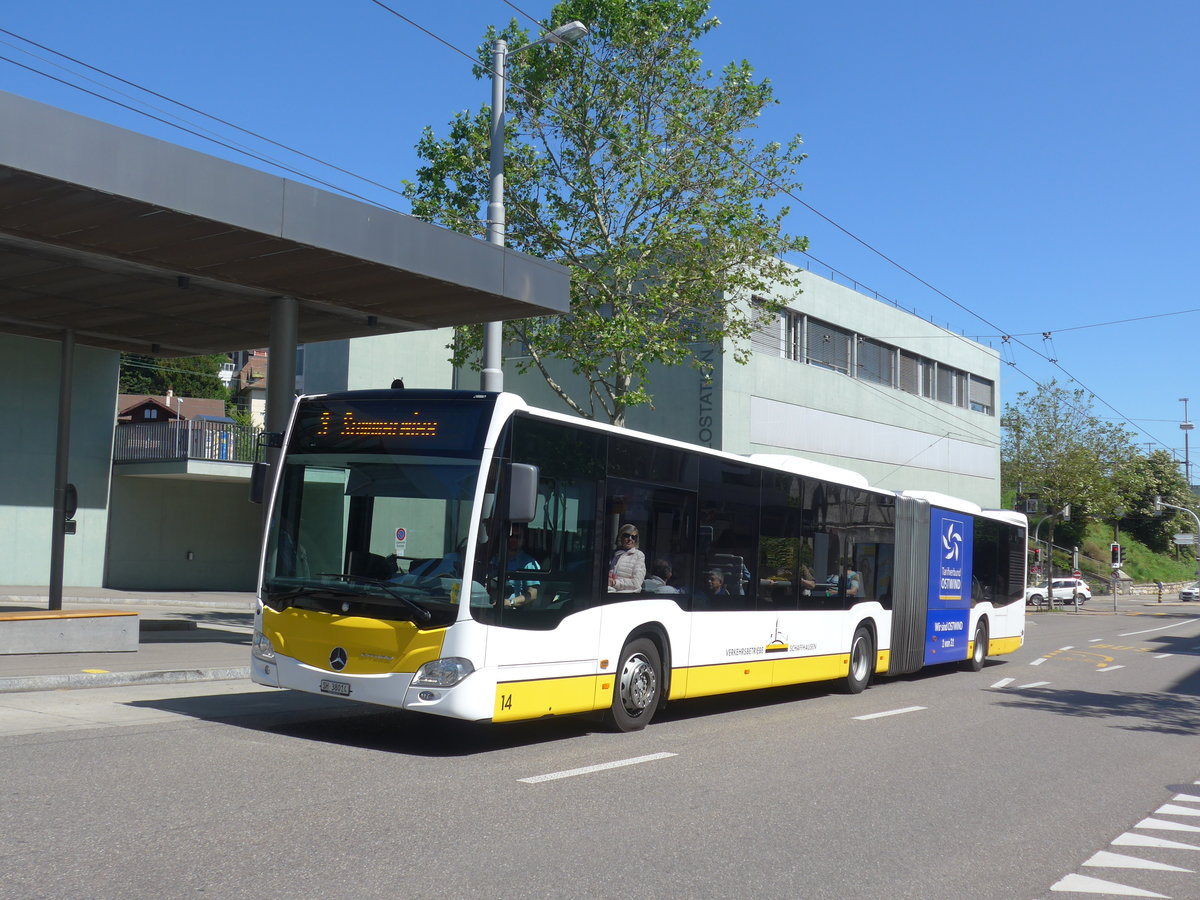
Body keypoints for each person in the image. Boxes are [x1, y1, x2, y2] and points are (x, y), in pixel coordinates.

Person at [500, 525, 540, 608]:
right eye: (511, 536)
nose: (513, 539)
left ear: (523, 540)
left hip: (513, 612)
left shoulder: (529, 563)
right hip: (488, 607)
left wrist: (510, 602)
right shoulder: (496, 559)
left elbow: (532, 594)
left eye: (517, 537)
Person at [608, 524, 646, 592]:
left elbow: (636, 583)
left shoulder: (639, 555)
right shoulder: (614, 554)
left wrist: (614, 583)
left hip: (627, 597)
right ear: (620, 536)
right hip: (610, 592)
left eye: (633, 537)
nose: (630, 539)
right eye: (627, 535)